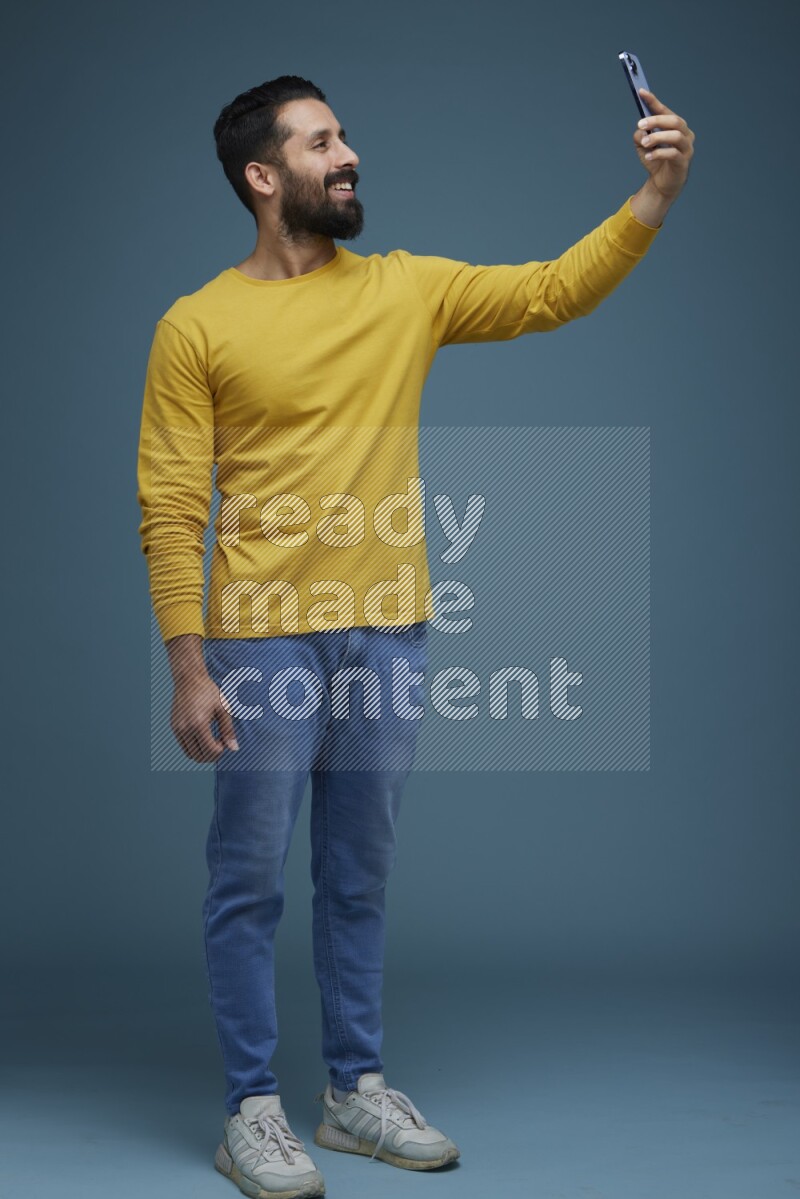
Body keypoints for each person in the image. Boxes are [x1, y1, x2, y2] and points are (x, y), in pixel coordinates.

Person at [136, 74, 694, 1199]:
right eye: (321, 142)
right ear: (261, 176)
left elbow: (550, 291)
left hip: (385, 634)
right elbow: (168, 502)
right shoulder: (196, 324)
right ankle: (252, 1107)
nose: (348, 156)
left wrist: (655, 191)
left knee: (359, 872)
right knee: (247, 877)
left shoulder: (405, 290)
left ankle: (352, 1092)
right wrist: (187, 664)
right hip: (260, 645)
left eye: (344, 138)